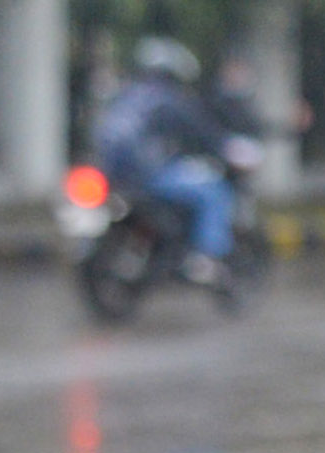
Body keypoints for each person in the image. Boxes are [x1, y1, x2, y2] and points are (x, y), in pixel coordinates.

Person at [88, 37, 240, 282]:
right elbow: (204, 132)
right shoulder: (169, 98)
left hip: (112, 176)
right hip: (150, 177)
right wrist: (226, 148)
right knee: (215, 192)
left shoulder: (125, 93)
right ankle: (205, 259)